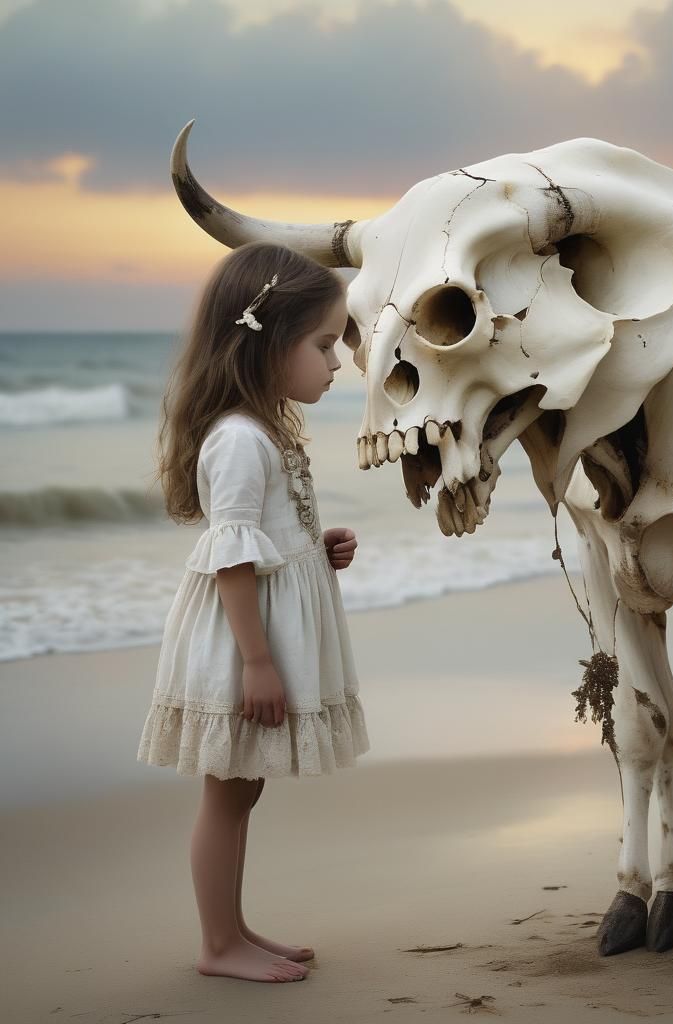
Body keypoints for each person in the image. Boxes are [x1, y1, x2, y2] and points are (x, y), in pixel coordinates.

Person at [138, 241, 369, 983]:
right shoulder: (238, 438)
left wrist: (314, 543)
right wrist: (258, 662)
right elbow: (232, 557)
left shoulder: (264, 428)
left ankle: (232, 928)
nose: (338, 364)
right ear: (268, 342)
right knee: (228, 791)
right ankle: (216, 944)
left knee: (243, 786)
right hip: (243, 640)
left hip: (257, 629)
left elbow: (261, 537)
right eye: (324, 344)